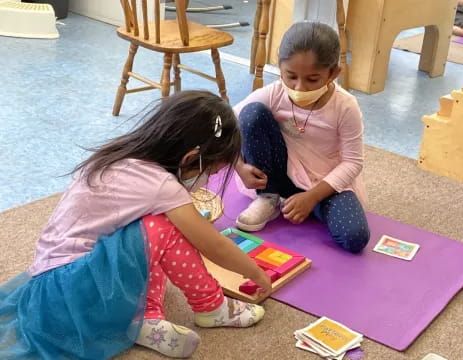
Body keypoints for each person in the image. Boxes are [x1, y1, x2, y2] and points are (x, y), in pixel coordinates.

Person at [0, 91, 271, 359]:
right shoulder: (161, 186)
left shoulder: (123, 155)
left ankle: (144, 317)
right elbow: (213, 244)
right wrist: (256, 273)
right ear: (190, 158)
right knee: (164, 227)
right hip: (74, 292)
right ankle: (211, 307)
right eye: (210, 172)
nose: (208, 180)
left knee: (147, 233)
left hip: (52, 289)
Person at [234, 22, 370, 254]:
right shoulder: (275, 92)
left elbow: (353, 162)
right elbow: (223, 125)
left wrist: (311, 197)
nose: (300, 87)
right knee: (252, 114)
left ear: (333, 74)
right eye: (291, 76)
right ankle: (270, 198)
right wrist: (239, 167)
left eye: (313, 79)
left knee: (354, 238)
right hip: (277, 175)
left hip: (322, 182)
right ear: (280, 68)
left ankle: (305, 204)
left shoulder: (345, 106)